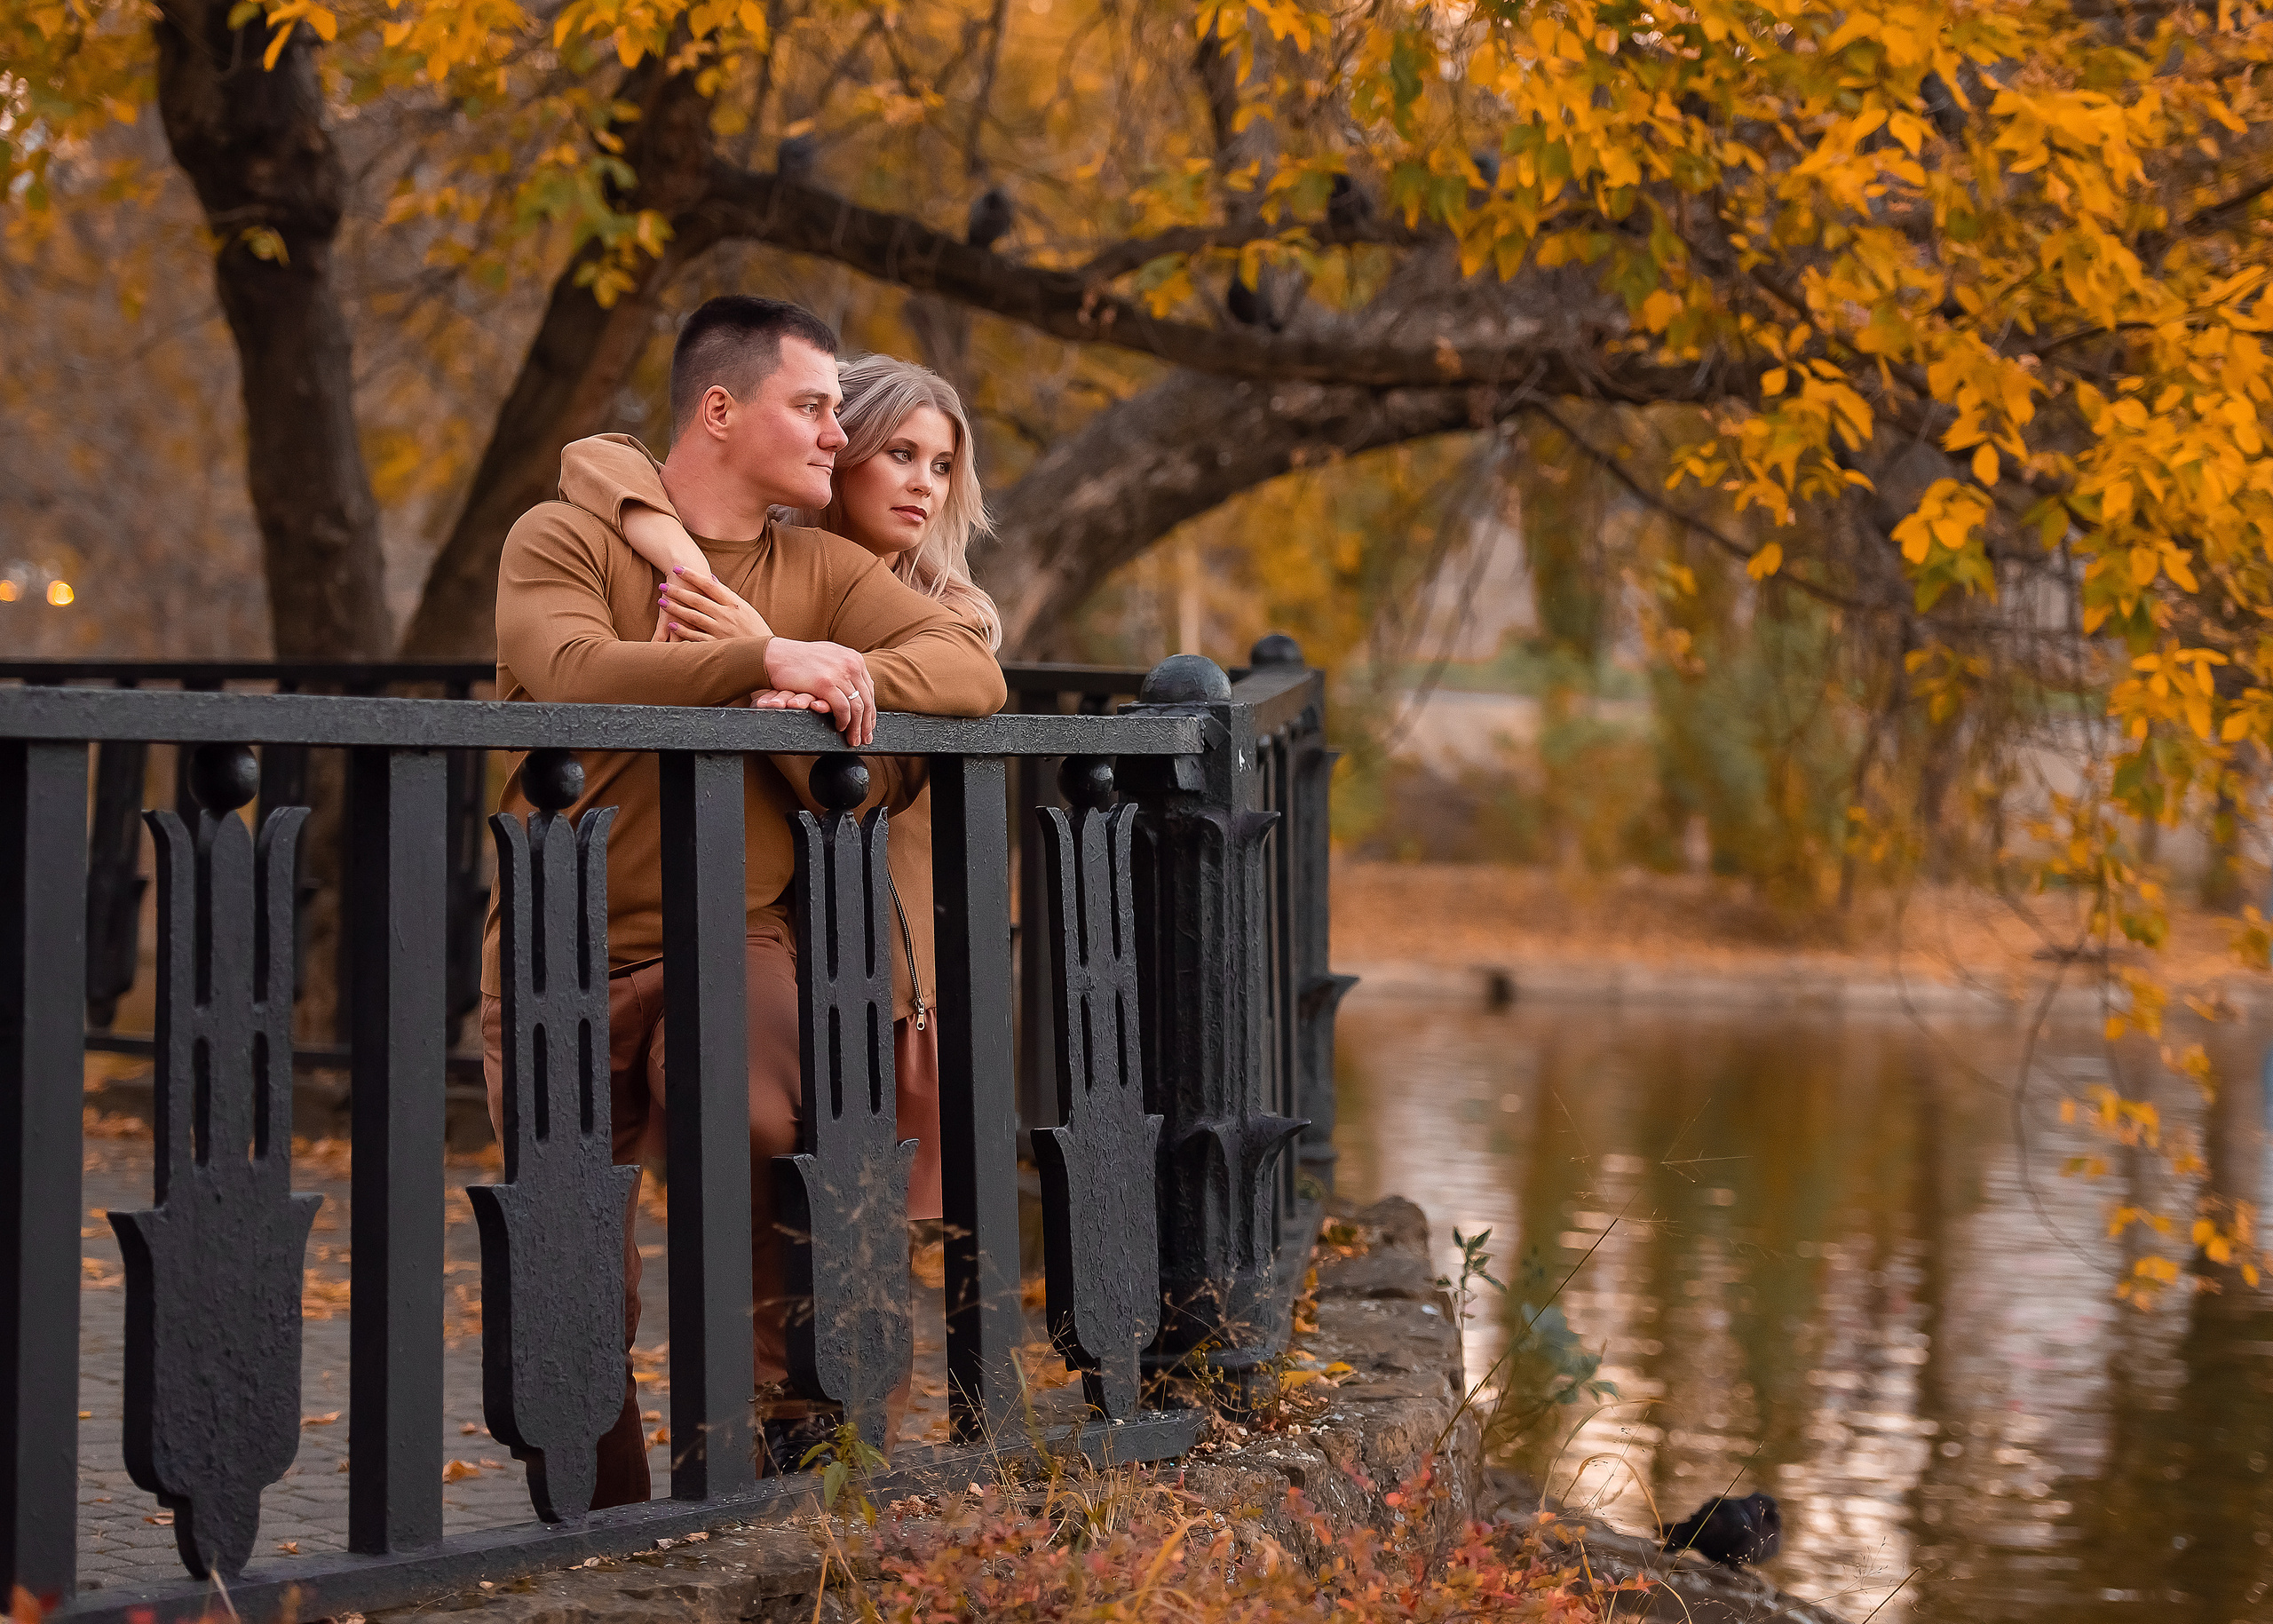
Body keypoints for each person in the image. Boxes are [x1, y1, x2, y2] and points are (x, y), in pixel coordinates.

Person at [483, 297, 1006, 1508]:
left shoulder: (821, 568)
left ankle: (751, 1485)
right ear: (720, 410)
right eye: (816, 406)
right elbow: (570, 675)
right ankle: (601, 1533)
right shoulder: (563, 537)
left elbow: (969, 667)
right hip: (560, 957)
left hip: (740, 940)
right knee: (570, 1288)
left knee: (764, 1124)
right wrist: (767, 661)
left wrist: (846, 669)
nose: (841, 434)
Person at [555, 355, 1002, 1244]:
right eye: (900, 453)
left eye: (942, 465)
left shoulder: (943, 613)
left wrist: (798, 663)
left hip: (876, 969)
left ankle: (829, 1388)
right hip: (751, 947)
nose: (924, 485)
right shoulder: (760, 568)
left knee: (845, 1239)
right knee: (741, 1208)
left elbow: (864, 785)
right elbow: (593, 458)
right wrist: (712, 592)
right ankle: (746, 1382)